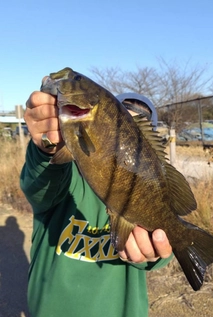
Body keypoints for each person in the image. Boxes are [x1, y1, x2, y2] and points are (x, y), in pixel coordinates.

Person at [20, 84, 173, 317]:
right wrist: (46, 148)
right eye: (119, 128)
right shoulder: (63, 176)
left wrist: (154, 253)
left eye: (137, 135)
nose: (124, 143)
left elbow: (163, 252)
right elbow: (40, 184)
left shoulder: (152, 191)